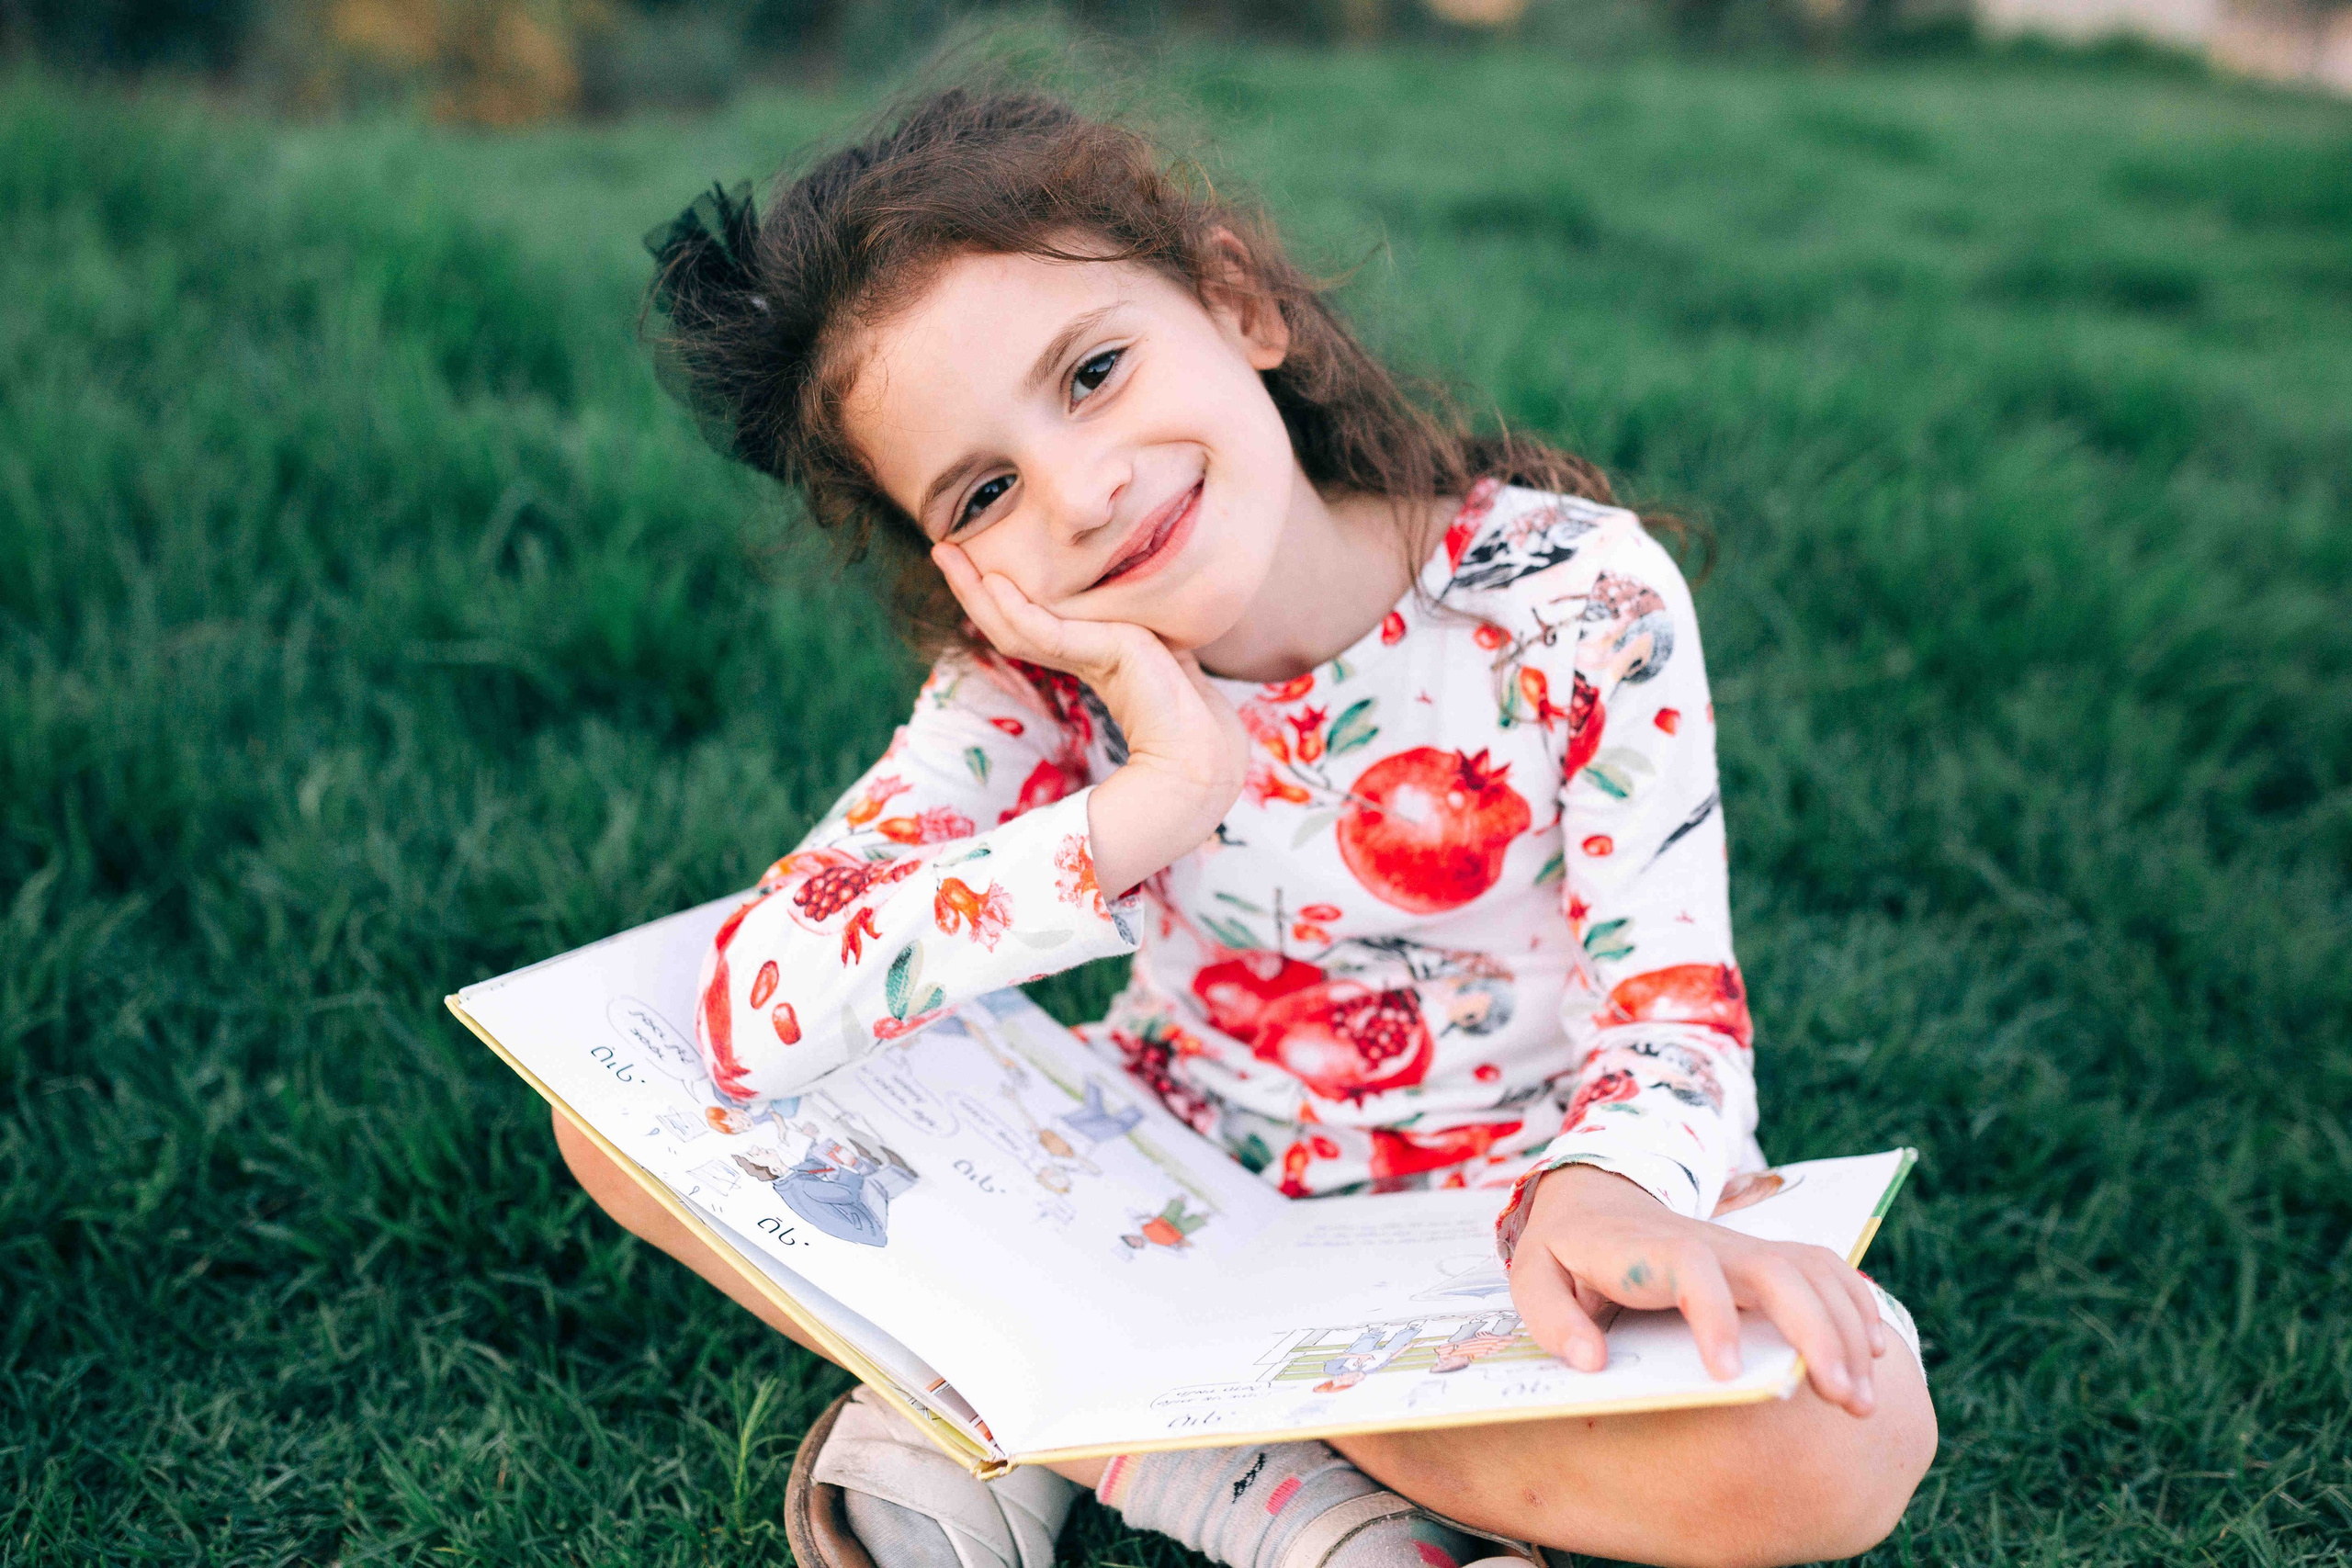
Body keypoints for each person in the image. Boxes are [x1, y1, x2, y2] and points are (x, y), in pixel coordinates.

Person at [550, 83, 1936, 1568]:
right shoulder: (1035, 685)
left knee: (1844, 1438)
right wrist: (1150, 800)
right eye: (990, 487)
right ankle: (1294, 1511)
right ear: (958, 565)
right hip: (1160, 1184)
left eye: (1091, 372)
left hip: (1505, 1229)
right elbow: (755, 1002)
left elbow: (1674, 1017)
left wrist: (1606, 1201)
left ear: (1239, 305)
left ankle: (1033, 1413)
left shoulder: (1568, 597)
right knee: (613, 1123)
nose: (1082, 491)